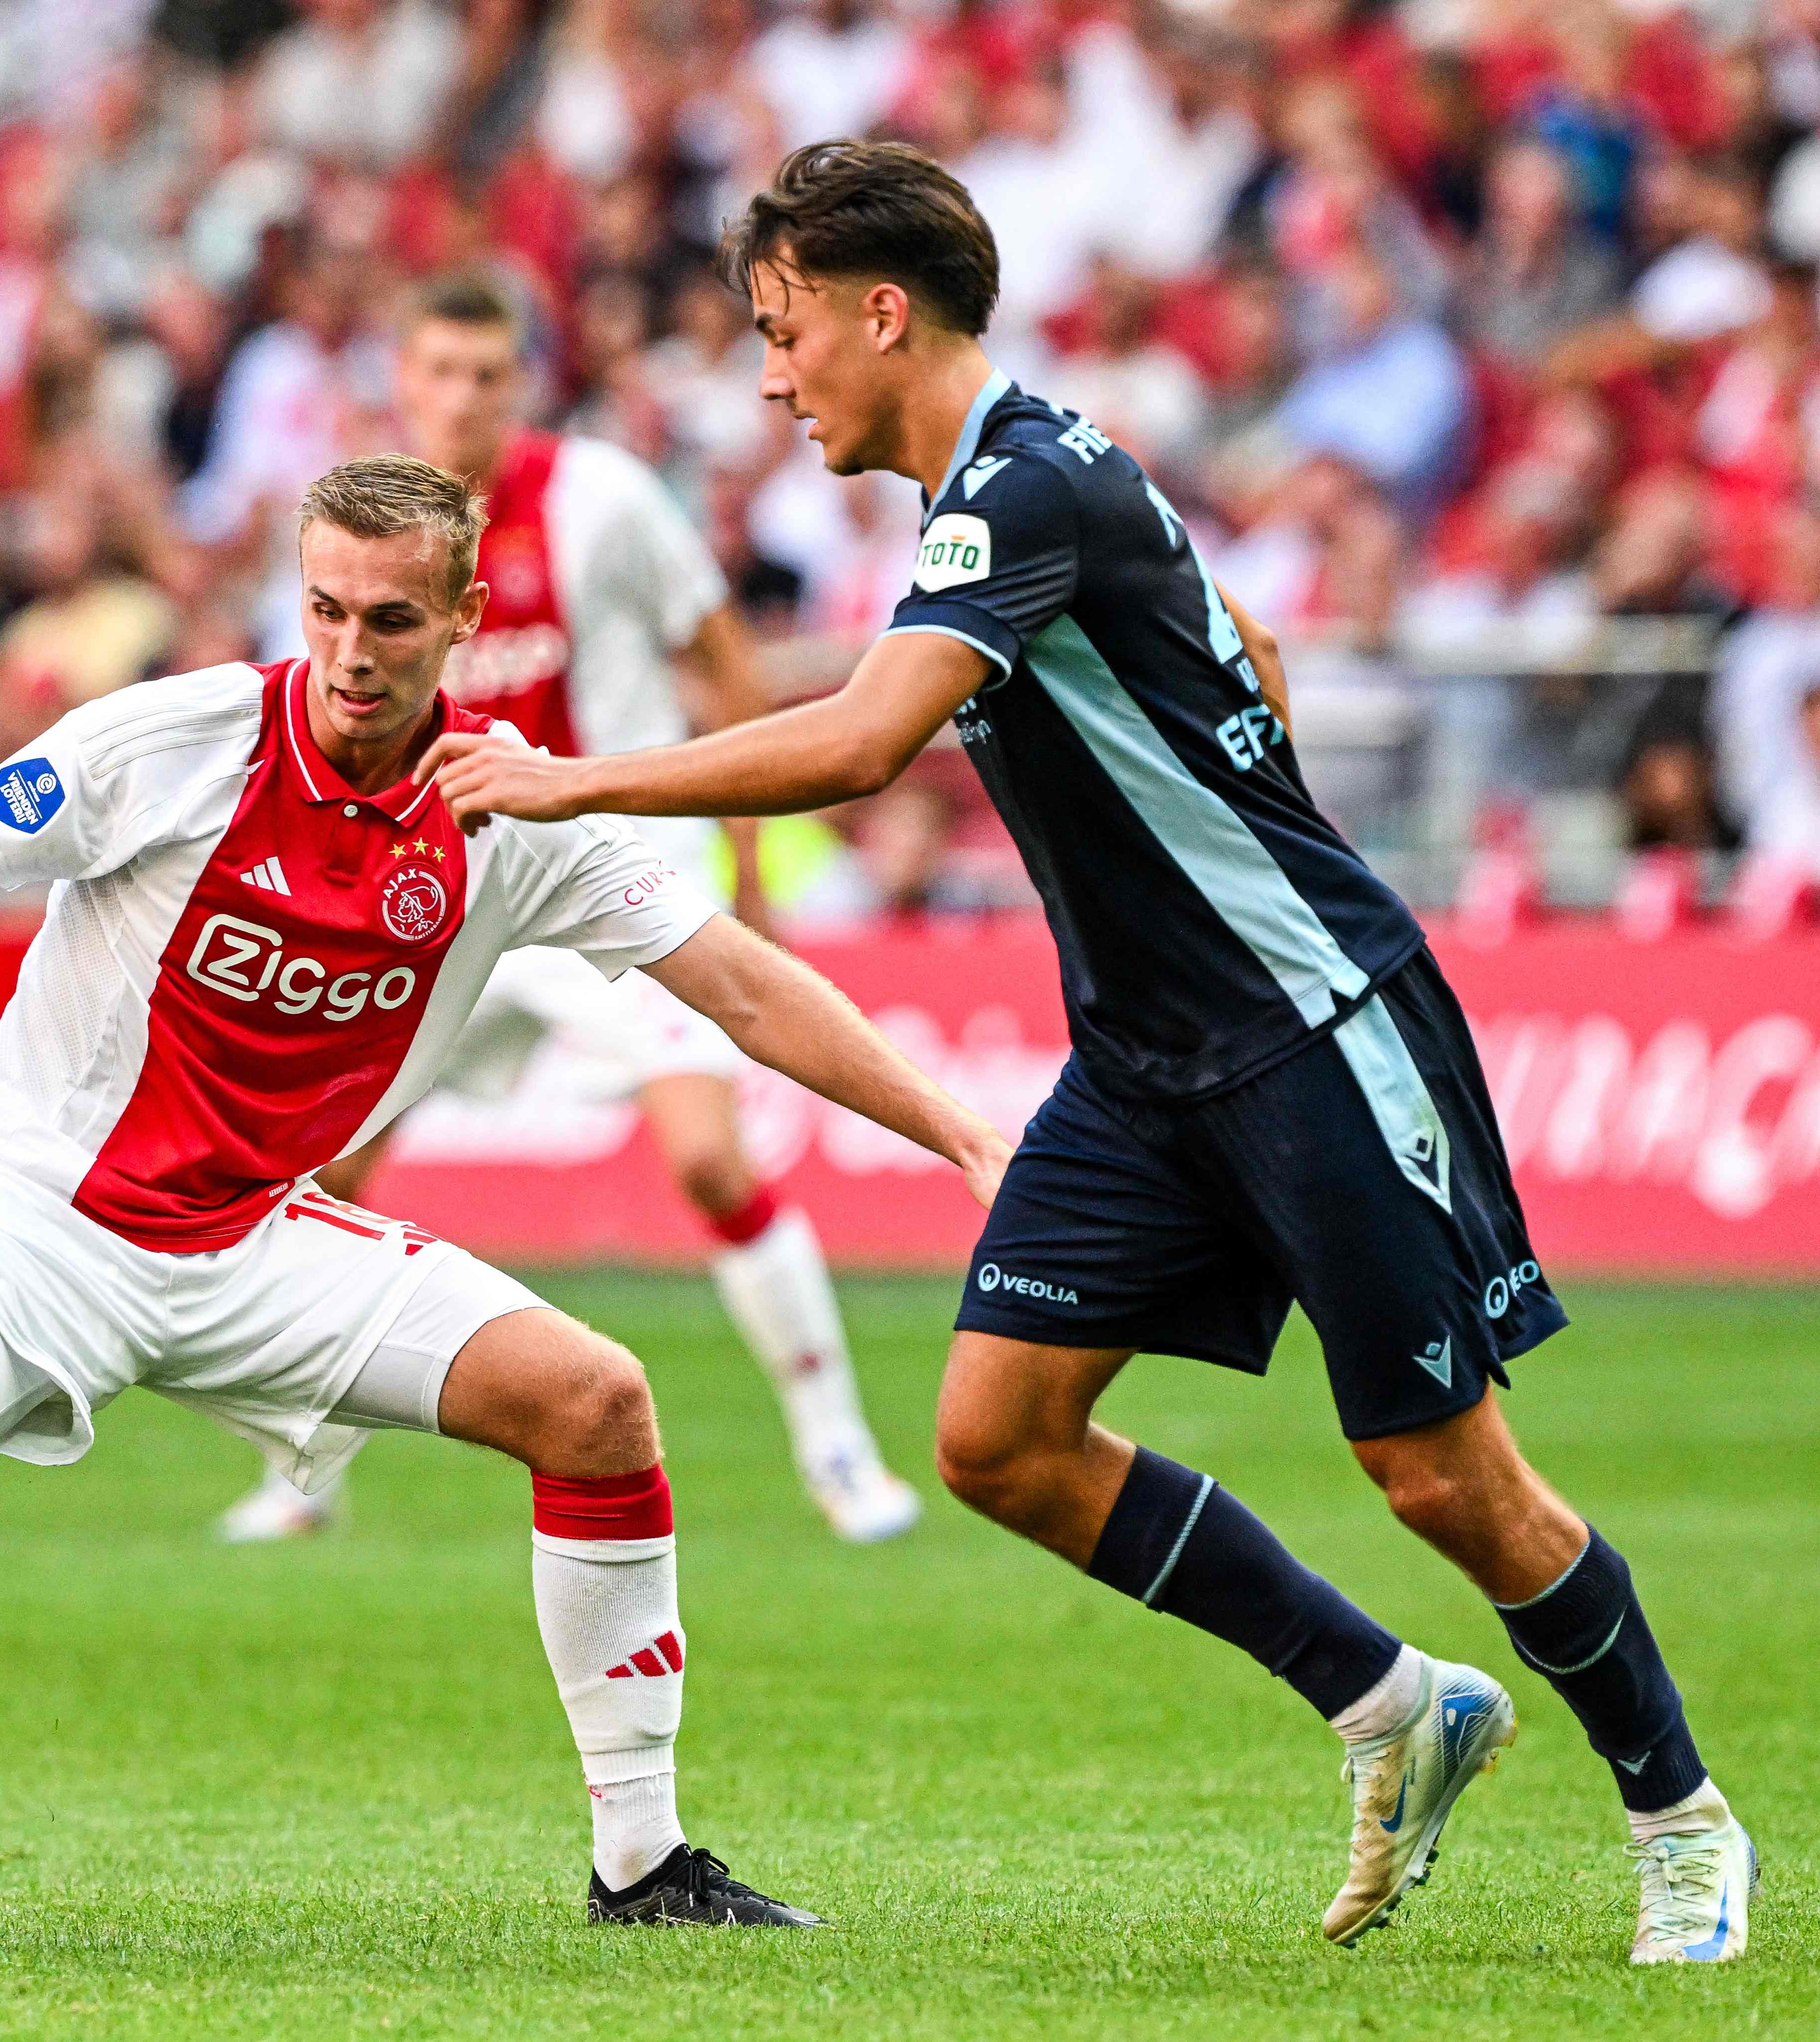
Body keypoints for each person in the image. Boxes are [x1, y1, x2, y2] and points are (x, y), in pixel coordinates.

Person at [420, 142, 1755, 1967]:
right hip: (1143, 1060)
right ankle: (1392, 1702)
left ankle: (1682, 1821)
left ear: (882, 313)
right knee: (998, 1437)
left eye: (784, 329)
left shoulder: (1019, 486)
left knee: (1445, 1477)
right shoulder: (1026, 475)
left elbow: (862, 743)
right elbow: (1244, 639)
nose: (770, 374)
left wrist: (569, 779)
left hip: (1307, 1028)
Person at [0, 455, 1013, 1928]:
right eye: (326, 609)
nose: (351, 651)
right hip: (34, 1211)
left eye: (392, 619)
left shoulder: (519, 813)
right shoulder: (178, 738)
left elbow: (744, 986)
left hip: (251, 1236)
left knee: (596, 1401)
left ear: (466, 619)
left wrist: (959, 1135)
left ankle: (644, 1861)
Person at [215, 271, 918, 1546]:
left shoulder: (602, 497)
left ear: (519, 383)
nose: (462, 400)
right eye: (439, 373)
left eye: (487, 376)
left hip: (610, 873)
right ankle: (298, 1473)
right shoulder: (359, 530)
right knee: (328, 1172)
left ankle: (839, 1454)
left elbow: (722, 662)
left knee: (706, 1158)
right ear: (402, 382)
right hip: (440, 894)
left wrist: (747, 869)